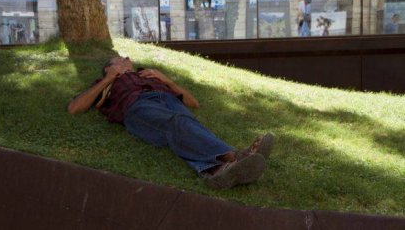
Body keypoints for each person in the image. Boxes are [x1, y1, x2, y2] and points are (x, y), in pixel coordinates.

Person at [68, 56, 275, 189]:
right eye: (120, 59)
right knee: (176, 122)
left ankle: (218, 172)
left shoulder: (149, 74)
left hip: (167, 99)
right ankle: (235, 156)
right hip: (136, 106)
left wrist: (167, 81)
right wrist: (108, 79)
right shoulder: (108, 84)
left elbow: (194, 103)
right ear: (109, 68)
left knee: (185, 120)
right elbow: (74, 108)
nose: (127, 58)